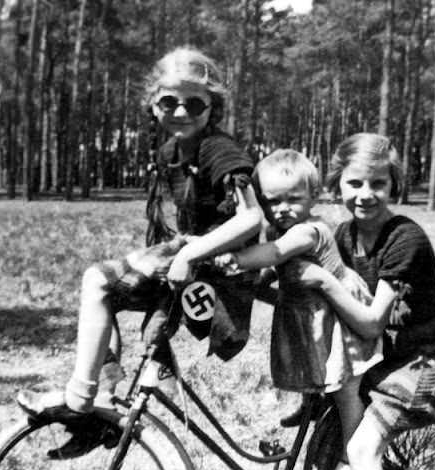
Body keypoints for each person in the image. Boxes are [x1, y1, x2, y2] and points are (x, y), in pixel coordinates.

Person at [17, 47, 263, 427]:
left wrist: (188, 255)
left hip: (219, 265)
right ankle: (102, 397)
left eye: (194, 105)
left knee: (97, 280)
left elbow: (251, 219)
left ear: (212, 107)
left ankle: (81, 397)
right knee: (104, 295)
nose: (181, 112)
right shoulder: (171, 151)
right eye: (169, 102)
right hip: (195, 255)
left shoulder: (218, 149)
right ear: (153, 105)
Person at [290, 133, 435, 470]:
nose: (365, 195)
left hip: (423, 358)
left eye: (378, 184)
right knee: (332, 422)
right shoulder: (344, 236)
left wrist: (323, 282)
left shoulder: (405, 238)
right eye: (354, 184)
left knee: (364, 448)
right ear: (337, 185)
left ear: (394, 186)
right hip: (380, 355)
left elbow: (369, 323)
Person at [215, 149, 382, 470]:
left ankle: (354, 459)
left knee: (346, 391)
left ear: (314, 197)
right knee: (322, 375)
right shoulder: (281, 229)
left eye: (294, 199)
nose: (283, 208)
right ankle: (312, 402)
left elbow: (275, 255)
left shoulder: (308, 231)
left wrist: (233, 257)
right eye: (273, 201)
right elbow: (269, 274)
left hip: (340, 319)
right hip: (312, 318)